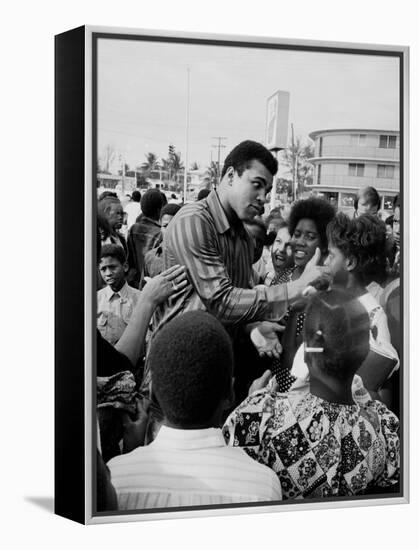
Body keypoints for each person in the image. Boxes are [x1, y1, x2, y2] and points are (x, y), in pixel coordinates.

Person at [223, 288, 400, 500]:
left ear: (306, 352)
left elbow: (231, 458)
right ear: (364, 354)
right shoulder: (380, 427)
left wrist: (254, 400)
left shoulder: (262, 416)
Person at [108, 311, 282, 510]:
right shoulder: (263, 487)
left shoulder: (115, 477)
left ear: (153, 391)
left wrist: (132, 451)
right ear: (230, 394)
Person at [321, 213, 399, 404]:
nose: (325, 263)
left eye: (331, 255)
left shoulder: (374, 316)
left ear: (350, 262)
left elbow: (381, 393)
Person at [267, 197, 335, 391]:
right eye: (297, 234)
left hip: (303, 388)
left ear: (323, 244)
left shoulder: (324, 288)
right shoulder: (281, 278)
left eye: (310, 236)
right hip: (273, 380)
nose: (300, 242)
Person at [97, 244, 142, 345]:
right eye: (103, 269)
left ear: (125, 267)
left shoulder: (140, 298)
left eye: (112, 267)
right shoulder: (95, 300)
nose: (108, 273)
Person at [127, 188, 165, 287]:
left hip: (134, 282)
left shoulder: (133, 229)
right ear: (159, 209)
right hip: (149, 283)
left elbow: (129, 259)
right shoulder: (160, 233)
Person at [144, 203, 181, 278]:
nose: (169, 230)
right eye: (165, 226)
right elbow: (144, 288)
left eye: (174, 225)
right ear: (160, 226)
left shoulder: (191, 258)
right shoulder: (150, 257)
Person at [265, 220, 292, 285]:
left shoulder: (293, 283)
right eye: (278, 241)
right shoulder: (270, 277)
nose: (282, 249)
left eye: (289, 245)